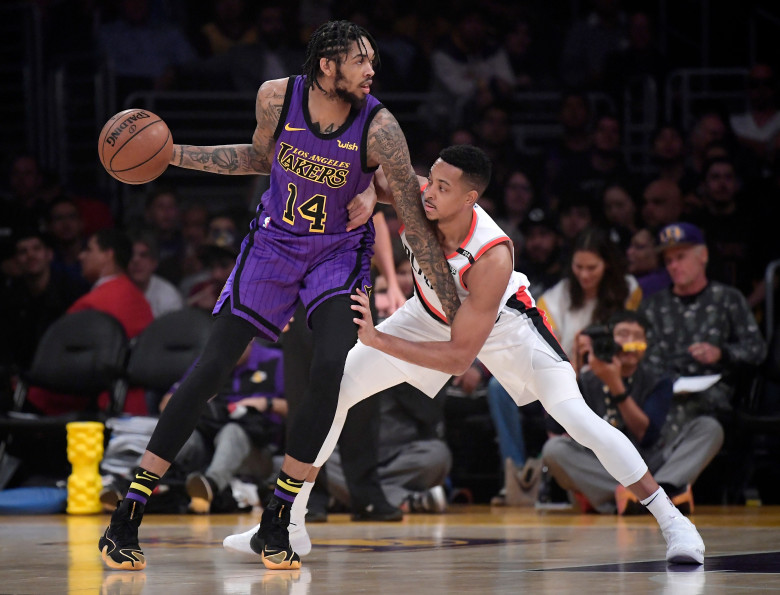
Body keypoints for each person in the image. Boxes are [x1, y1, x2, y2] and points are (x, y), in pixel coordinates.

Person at [225, 145, 706, 565]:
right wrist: (370, 196)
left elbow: (459, 360)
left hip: (506, 329)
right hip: (426, 312)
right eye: (430, 180)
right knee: (336, 390)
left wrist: (377, 339)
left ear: (470, 197)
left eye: (443, 187)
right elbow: (367, 177)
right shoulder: (420, 195)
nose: (428, 192)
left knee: (578, 419)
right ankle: (289, 523)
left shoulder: (492, 256)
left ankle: (673, 522)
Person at [98, 19, 460, 572]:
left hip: (338, 252)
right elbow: (260, 157)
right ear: (327, 66)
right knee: (211, 368)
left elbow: (413, 213)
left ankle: (279, 517)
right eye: (360, 60)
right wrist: (175, 155)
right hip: (273, 245)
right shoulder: (276, 97)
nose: (372, 69)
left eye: (372, 59)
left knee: (330, 366)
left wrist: (455, 308)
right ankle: (128, 512)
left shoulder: (380, 127)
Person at [542, 310, 721, 515]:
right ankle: (653, 499)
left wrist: (615, 384)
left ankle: (659, 491)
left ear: (645, 345)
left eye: (637, 337)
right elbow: (555, 426)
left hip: (652, 463)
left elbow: (646, 436)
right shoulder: (588, 378)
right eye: (623, 335)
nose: (630, 342)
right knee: (554, 449)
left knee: (710, 427)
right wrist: (573, 371)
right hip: (606, 468)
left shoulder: (658, 380)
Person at [639, 222, 767, 474]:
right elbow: (643, 356)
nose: (674, 266)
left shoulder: (728, 299)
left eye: (681, 257)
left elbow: (756, 349)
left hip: (713, 391)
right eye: (669, 260)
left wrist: (722, 353)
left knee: (692, 414)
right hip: (664, 389)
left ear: (703, 256)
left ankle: (654, 483)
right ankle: (660, 484)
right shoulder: (652, 306)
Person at [537, 227, 641, 360]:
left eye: (592, 268)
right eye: (578, 267)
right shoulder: (552, 300)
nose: (584, 275)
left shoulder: (629, 290)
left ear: (607, 263)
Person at [127, 231, 184, 318]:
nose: (136, 260)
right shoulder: (113, 291)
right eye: (131, 255)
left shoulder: (168, 297)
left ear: (154, 263)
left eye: (143, 255)